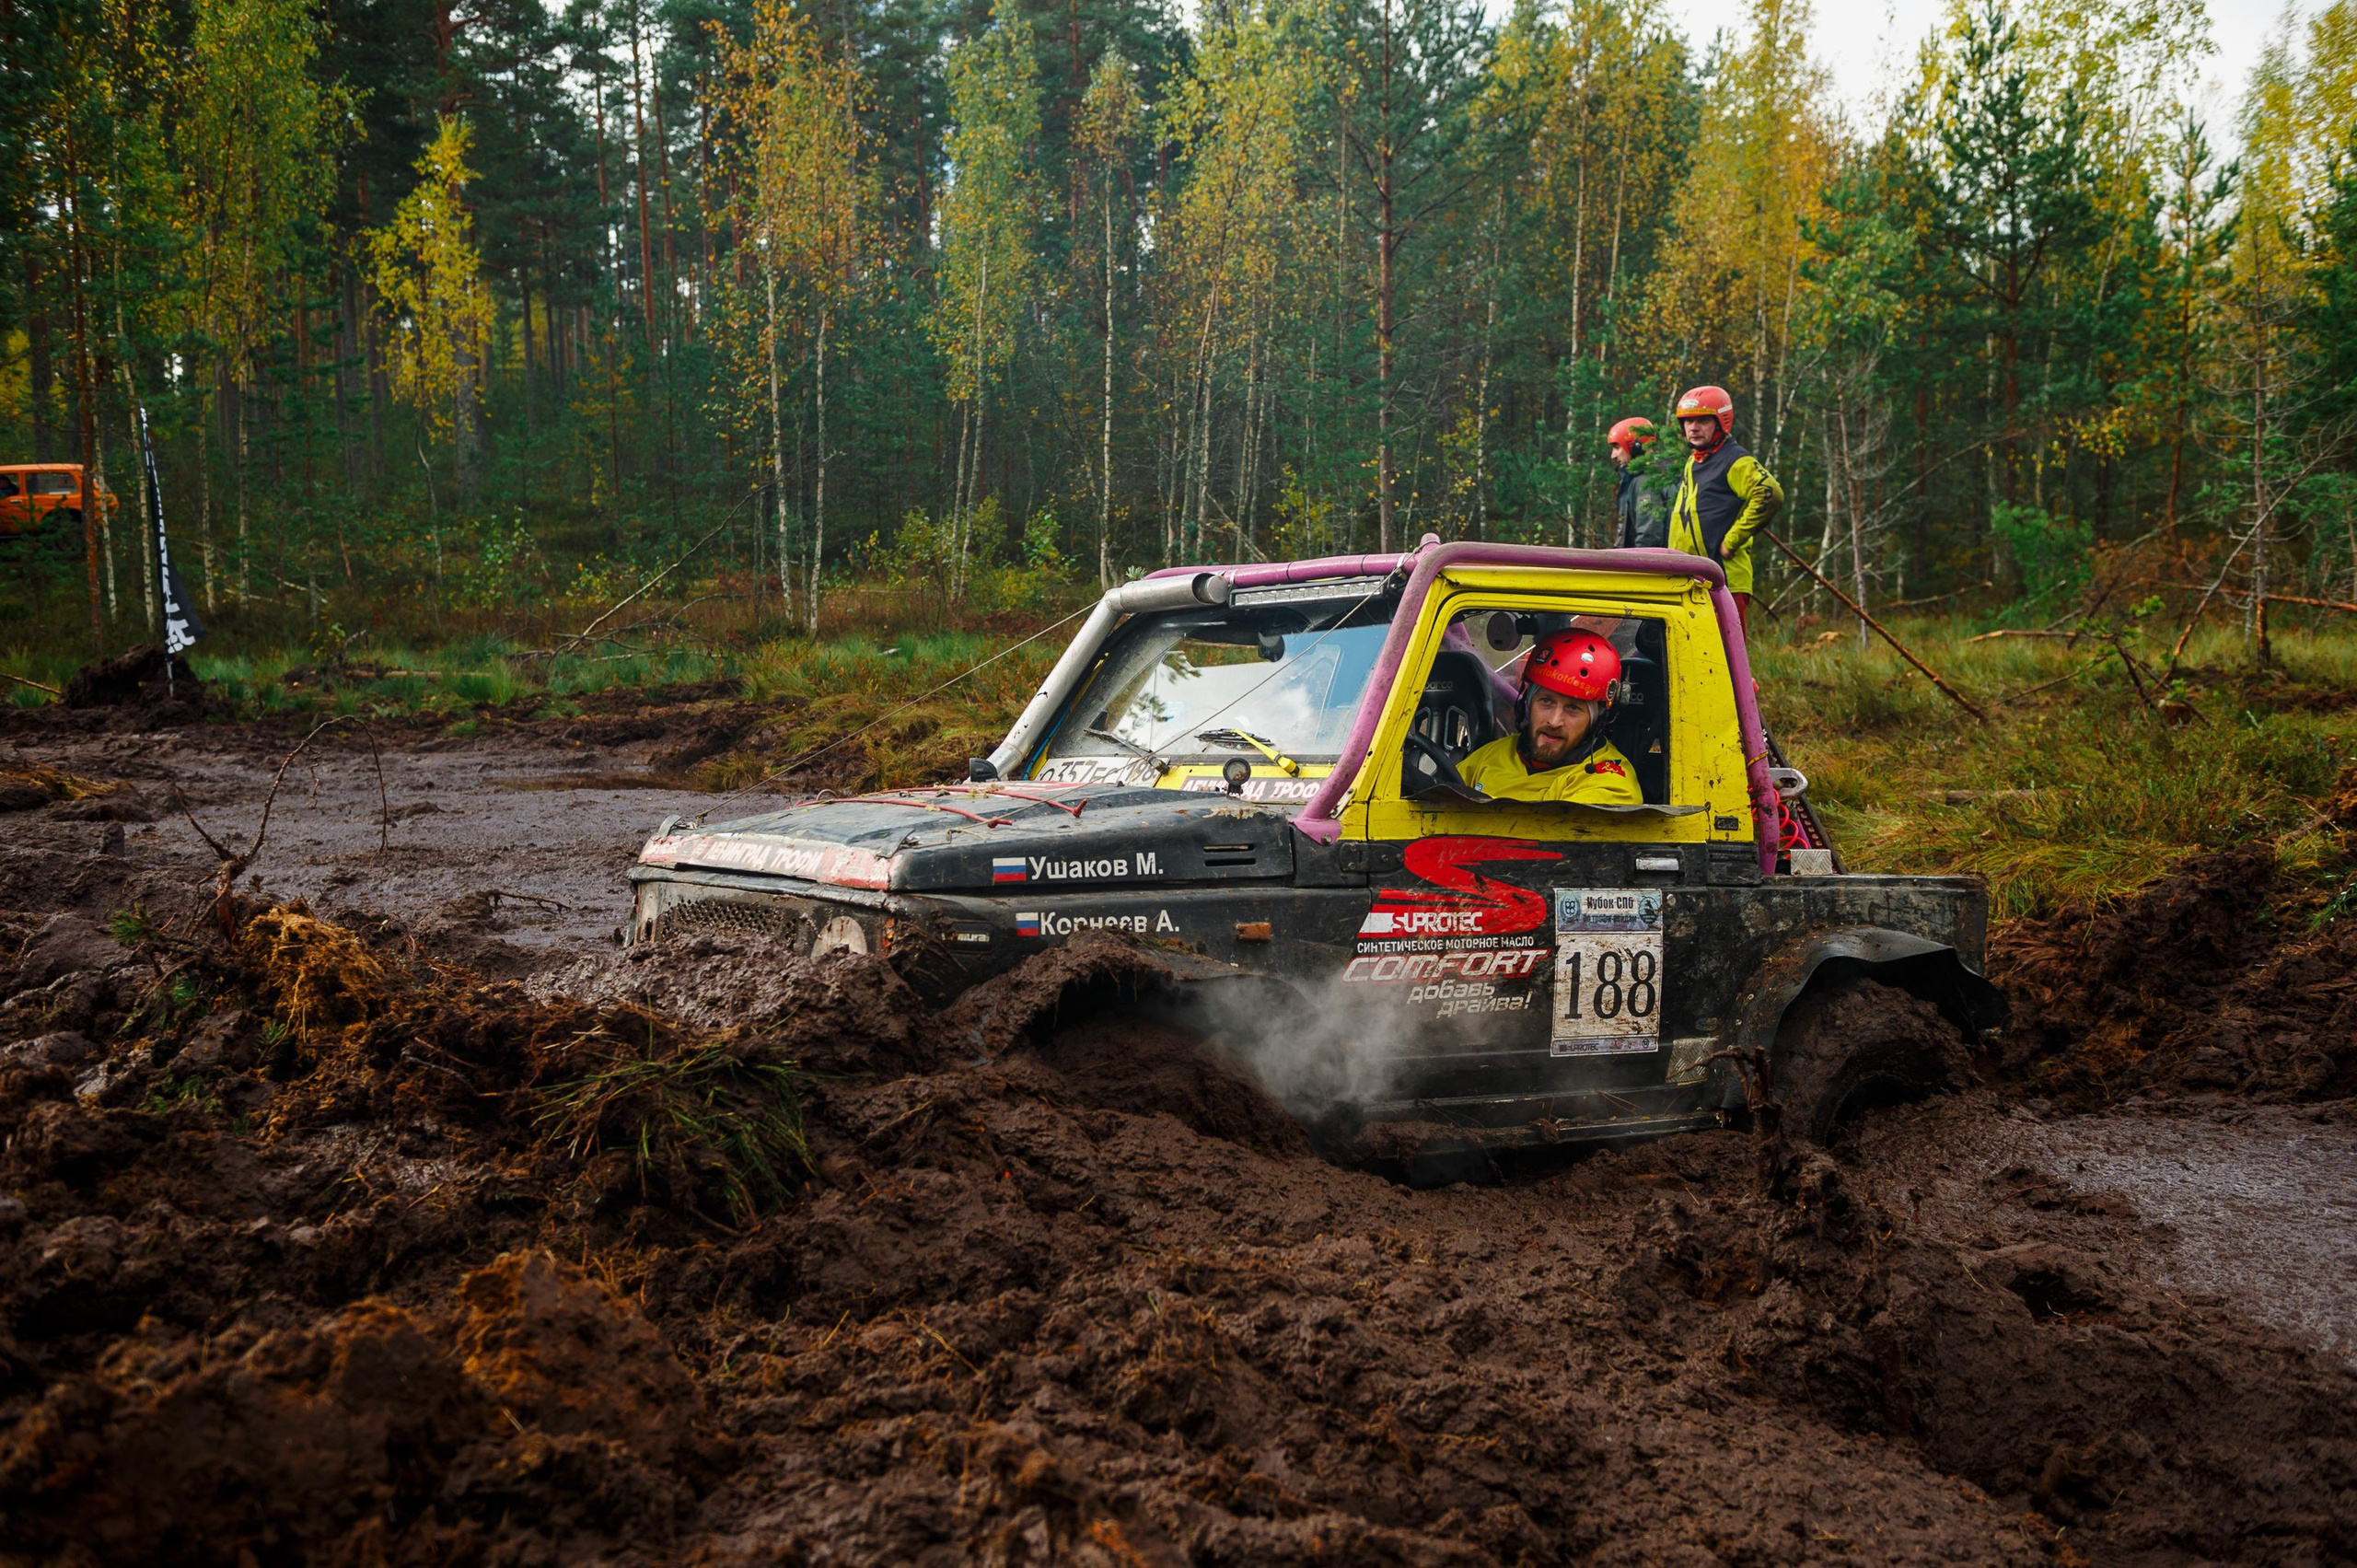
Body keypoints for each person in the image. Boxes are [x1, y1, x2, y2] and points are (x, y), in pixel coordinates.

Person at [1458, 628, 1643, 805]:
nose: (1554, 721)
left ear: (1595, 719)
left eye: (1573, 708)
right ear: (1529, 701)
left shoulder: (1610, 784)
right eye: (1546, 701)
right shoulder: (1493, 754)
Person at [1666, 385, 1782, 628]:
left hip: (1724, 580)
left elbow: (1770, 493)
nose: (1693, 428)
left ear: (1721, 422)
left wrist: (1732, 541)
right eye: (1688, 421)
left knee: (1727, 662)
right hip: (1693, 578)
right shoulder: (1694, 461)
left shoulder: (1736, 460)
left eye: (1702, 420)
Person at [1608, 416, 1673, 550]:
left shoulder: (1646, 481)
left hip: (1647, 564)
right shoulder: (1652, 475)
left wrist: (1637, 565)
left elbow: (1649, 535)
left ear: (1635, 445)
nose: (1613, 455)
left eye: (1616, 447)